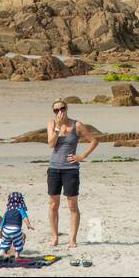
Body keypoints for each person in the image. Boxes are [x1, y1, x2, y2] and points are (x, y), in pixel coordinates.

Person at [46, 99, 97, 249]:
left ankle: (72, 239)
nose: (59, 112)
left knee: (72, 205)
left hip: (71, 169)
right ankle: (54, 236)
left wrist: (81, 156)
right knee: (53, 204)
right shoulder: (51, 123)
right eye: (56, 110)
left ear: (67, 108)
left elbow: (94, 141)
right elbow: (50, 144)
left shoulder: (77, 125)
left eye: (62, 108)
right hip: (54, 168)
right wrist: (57, 127)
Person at [0, 191, 31, 255]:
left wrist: (0, 231)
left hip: (6, 230)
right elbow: (25, 217)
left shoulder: (7, 211)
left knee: (4, 243)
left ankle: (1, 253)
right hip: (15, 229)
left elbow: (3, 221)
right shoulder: (20, 209)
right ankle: (17, 255)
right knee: (18, 243)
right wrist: (28, 225)